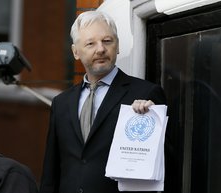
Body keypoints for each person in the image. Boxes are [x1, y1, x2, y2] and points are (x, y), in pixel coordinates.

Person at [39, 11, 166, 193]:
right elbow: (50, 172)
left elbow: (165, 164)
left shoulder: (146, 94)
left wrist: (153, 118)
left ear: (118, 45)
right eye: (90, 43)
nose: (100, 49)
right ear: (76, 52)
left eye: (107, 41)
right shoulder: (61, 103)